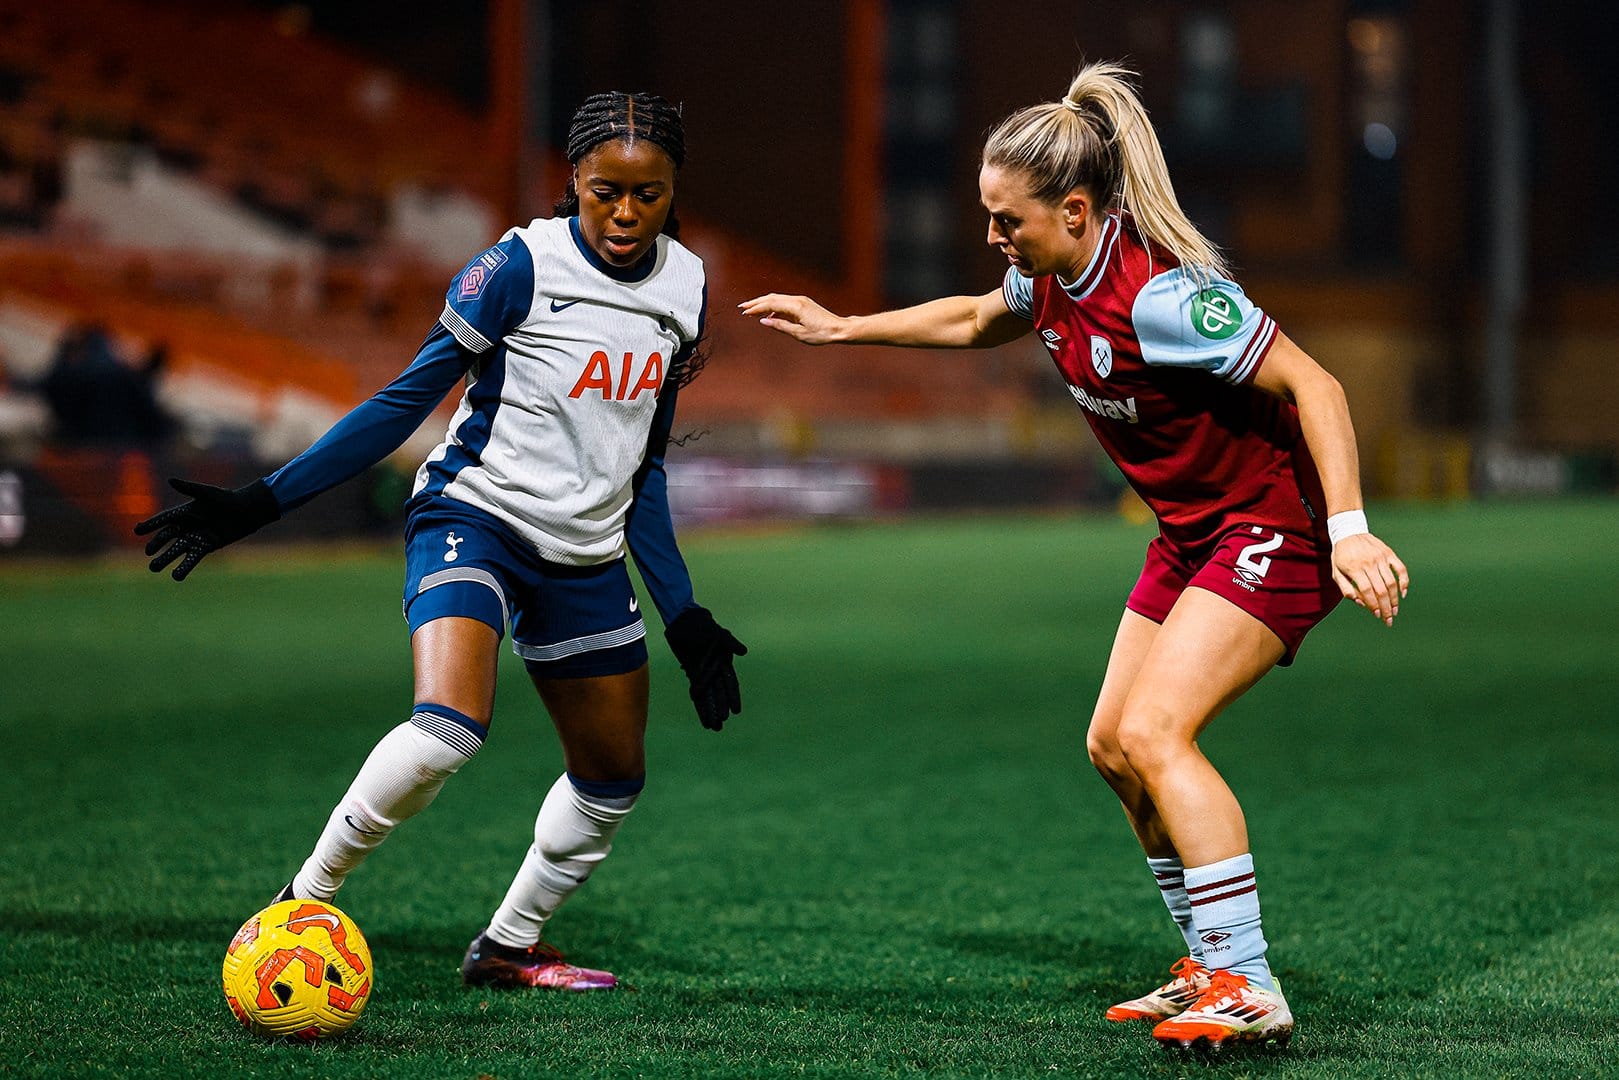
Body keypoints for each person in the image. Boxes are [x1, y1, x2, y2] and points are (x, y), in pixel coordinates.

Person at [742, 61, 1408, 1049]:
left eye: (1007, 221)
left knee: (1155, 734)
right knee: (1111, 748)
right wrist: (843, 329)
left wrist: (1349, 531)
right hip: (1187, 538)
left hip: (1268, 532)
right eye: (987, 217)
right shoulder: (1048, 276)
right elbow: (975, 316)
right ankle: (1206, 967)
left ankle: (1248, 981)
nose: (992, 239)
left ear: (1077, 210)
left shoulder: (1162, 300)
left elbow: (1317, 387)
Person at [137, 91, 747, 991]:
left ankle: (507, 947)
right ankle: (301, 902)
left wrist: (684, 613)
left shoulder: (684, 287)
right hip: (477, 518)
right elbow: (402, 402)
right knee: (448, 728)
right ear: (572, 181)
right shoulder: (515, 266)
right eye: (604, 191)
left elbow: (642, 466)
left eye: (647, 195)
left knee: (613, 778)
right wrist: (261, 502)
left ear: (672, 190)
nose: (625, 213)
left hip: (583, 554)